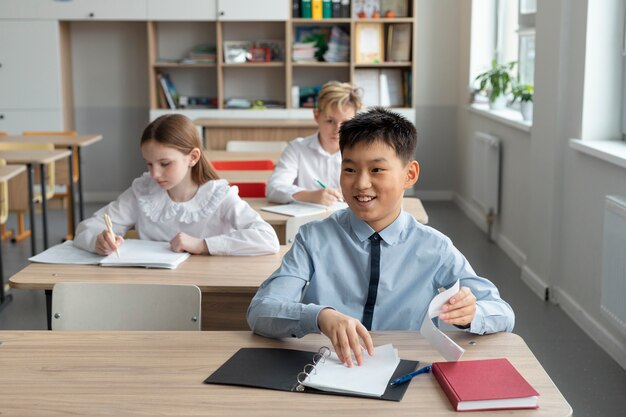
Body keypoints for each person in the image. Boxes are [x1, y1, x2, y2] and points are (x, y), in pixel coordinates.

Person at [248, 108, 514, 367]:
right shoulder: (313, 238)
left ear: (409, 174)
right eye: (350, 170)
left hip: (404, 372)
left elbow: (503, 313)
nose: (361, 184)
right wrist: (319, 316)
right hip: (328, 367)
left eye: (376, 170)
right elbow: (260, 311)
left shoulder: (435, 248)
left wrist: (472, 314)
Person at [74, 114, 279, 256]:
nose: (154, 173)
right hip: (151, 285)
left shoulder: (218, 195)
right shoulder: (143, 191)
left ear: (192, 157)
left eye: (165, 164)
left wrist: (203, 245)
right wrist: (98, 241)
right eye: (149, 163)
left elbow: (267, 239)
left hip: (205, 285)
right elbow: (87, 227)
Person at [266, 81, 362, 206]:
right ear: (316, 116)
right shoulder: (297, 149)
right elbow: (273, 188)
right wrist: (312, 196)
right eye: (329, 121)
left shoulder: (362, 152)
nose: (337, 130)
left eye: (346, 123)